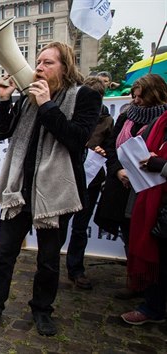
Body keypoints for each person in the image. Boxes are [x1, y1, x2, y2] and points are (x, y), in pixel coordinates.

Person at [0, 42, 101, 336]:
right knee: (4, 254)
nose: (38, 67)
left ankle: (42, 310)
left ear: (65, 67)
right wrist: (3, 100)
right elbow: (2, 132)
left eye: (47, 63)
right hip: (20, 190)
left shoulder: (86, 97)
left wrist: (47, 106)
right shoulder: (29, 97)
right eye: (38, 62)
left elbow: (77, 139)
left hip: (56, 192)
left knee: (48, 260)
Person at [94, 74, 167, 299]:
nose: (136, 100)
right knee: (129, 233)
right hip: (123, 187)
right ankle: (136, 281)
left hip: (151, 189)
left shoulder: (162, 122)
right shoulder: (126, 117)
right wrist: (118, 170)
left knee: (149, 236)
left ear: (154, 95)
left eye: (140, 96)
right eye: (134, 96)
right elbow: (112, 148)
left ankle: (152, 288)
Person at [65, 77, 113, 290]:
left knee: (80, 227)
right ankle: (48, 266)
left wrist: (103, 151)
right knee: (58, 226)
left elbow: (113, 149)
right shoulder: (70, 114)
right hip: (66, 178)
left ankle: (75, 269)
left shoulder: (107, 121)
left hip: (91, 180)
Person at [120, 110, 167, 325]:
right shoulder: (161, 121)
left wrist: (162, 166)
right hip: (155, 201)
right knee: (157, 255)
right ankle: (153, 306)